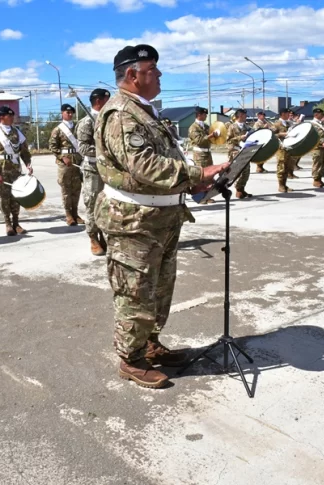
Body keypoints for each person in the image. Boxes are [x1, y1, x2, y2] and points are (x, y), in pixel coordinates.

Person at [94, 44, 229, 389]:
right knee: (135, 291)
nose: (159, 75)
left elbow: (163, 158)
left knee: (159, 289)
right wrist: (199, 173)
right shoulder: (121, 113)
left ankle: (149, 343)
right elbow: (144, 166)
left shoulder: (144, 111)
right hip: (133, 221)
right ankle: (131, 358)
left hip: (161, 217)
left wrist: (193, 184)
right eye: (152, 69)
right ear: (132, 75)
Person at [0, 105, 33, 236]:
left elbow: (24, 151)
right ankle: (8, 224)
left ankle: (16, 223)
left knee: (16, 197)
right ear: (1, 117)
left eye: (12, 115)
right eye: (9, 116)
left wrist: (28, 164)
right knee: (3, 198)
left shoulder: (17, 133)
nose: (12, 118)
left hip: (16, 171)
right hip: (2, 171)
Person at [77, 88, 111, 256]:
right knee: (92, 203)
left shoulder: (109, 120)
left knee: (107, 203)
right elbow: (82, 147)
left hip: (109, 169)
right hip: (93, 169)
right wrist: (101, 149)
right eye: (107, 99)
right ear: (98, 101)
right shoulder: (86, 122)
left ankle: (104, 233)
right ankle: (93, 236)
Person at [49, 104, 84, 226]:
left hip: (77, 161)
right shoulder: (58, 129)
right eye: (67, 112)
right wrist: (62, 157)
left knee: (76, 189)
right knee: (66, 189)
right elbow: (52, 146)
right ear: (62, 113)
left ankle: (75, 213)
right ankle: (68, 215)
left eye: (71, 113)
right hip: (65, 163)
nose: (69, 114)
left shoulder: (78, 127)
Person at [227, 108, 252, 199]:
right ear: (240, 116)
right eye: (244, 115)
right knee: (239, 172)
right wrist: (240, 137)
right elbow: (229, 140)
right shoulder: (232, 127)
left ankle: (241, 189)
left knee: (246, 172)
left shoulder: (247, 127)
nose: (246, 117)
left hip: (245, 150)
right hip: (236, 151)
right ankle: (238, 189)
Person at [271, 108, 293, 192]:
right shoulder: (276, 124)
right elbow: (271, 135)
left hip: (289, 148)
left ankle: (284, 184)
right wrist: (281, 134)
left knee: (287, 167)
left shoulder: (289, 123)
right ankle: (281, 186)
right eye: (288, 113)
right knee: (281, 167)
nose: (289, 115)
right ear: (283, 114)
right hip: (281, 149)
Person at [309, 108, 324, 188]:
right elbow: (314, 135)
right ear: (316, 115)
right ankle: (316, 180)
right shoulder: (312, 124)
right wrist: (322, 142)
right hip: (317, 147)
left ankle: (320, 178)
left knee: (323, 163)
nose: (323, 115)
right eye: (321, 114)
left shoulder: (323, 123)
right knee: (317, 163)